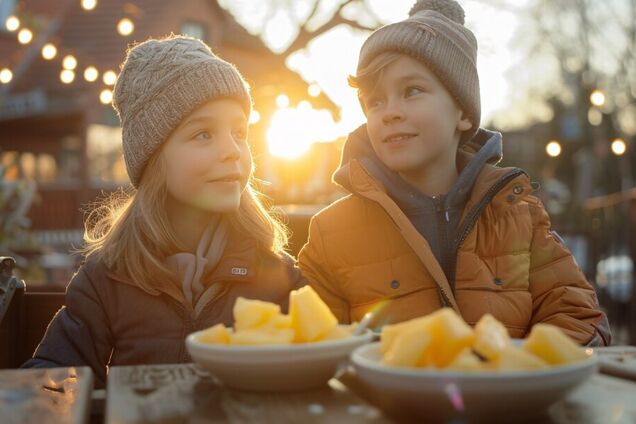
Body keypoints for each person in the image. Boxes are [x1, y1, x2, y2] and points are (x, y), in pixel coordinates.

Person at [298, 0, 610, 346]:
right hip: (389, 399)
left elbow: (578, 314)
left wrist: (527, 368)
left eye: (411, 91)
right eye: (375, 101)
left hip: (507, 398)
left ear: (462, 112)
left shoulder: (518, 216)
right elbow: (315, 343)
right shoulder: (332, 234)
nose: (389, 112)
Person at [22, 35, 305, 387]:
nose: (232, 150)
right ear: (154, 159)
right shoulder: (108, 278)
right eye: (204, 134)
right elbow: (50, 379)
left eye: (239, 132)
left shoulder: (275, 275)